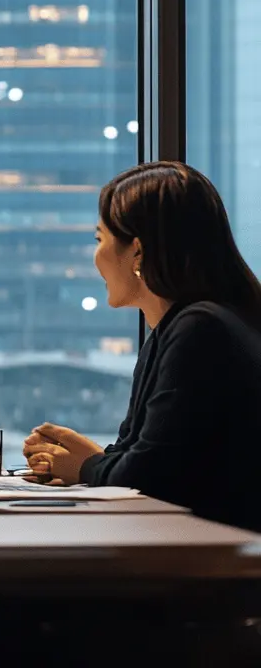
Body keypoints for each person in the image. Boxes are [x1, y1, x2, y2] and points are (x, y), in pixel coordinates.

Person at [23, 161, 261, 532]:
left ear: (136, 252)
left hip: (210, 568)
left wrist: (85, 466)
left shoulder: (199, 330)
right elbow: (141, 456)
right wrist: (87, 459)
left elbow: (151, 477)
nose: (97, 257)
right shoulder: (180, 328)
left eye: (100, 239)